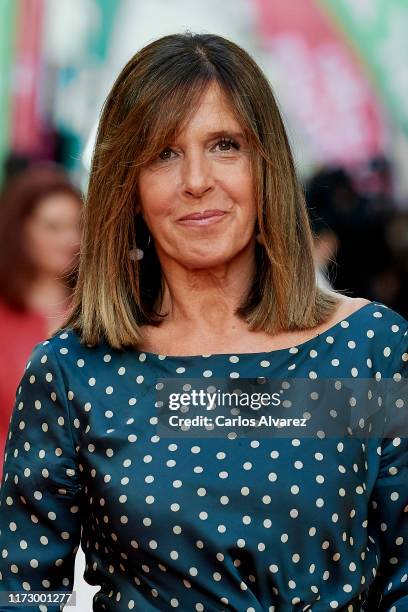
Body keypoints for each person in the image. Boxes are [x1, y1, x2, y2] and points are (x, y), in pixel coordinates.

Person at [0, 32, 406, 612]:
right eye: (164, 153)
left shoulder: (369, 348)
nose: (196, 180)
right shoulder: (72, 375)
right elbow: (22, 591)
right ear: (129, 187)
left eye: (224, 145)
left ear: (266, 165)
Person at [0, 162, 82, 478]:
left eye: (77, 226)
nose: (70, 239)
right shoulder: (5, 317)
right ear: (21, 231)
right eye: (53, 226)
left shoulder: (98, 314)